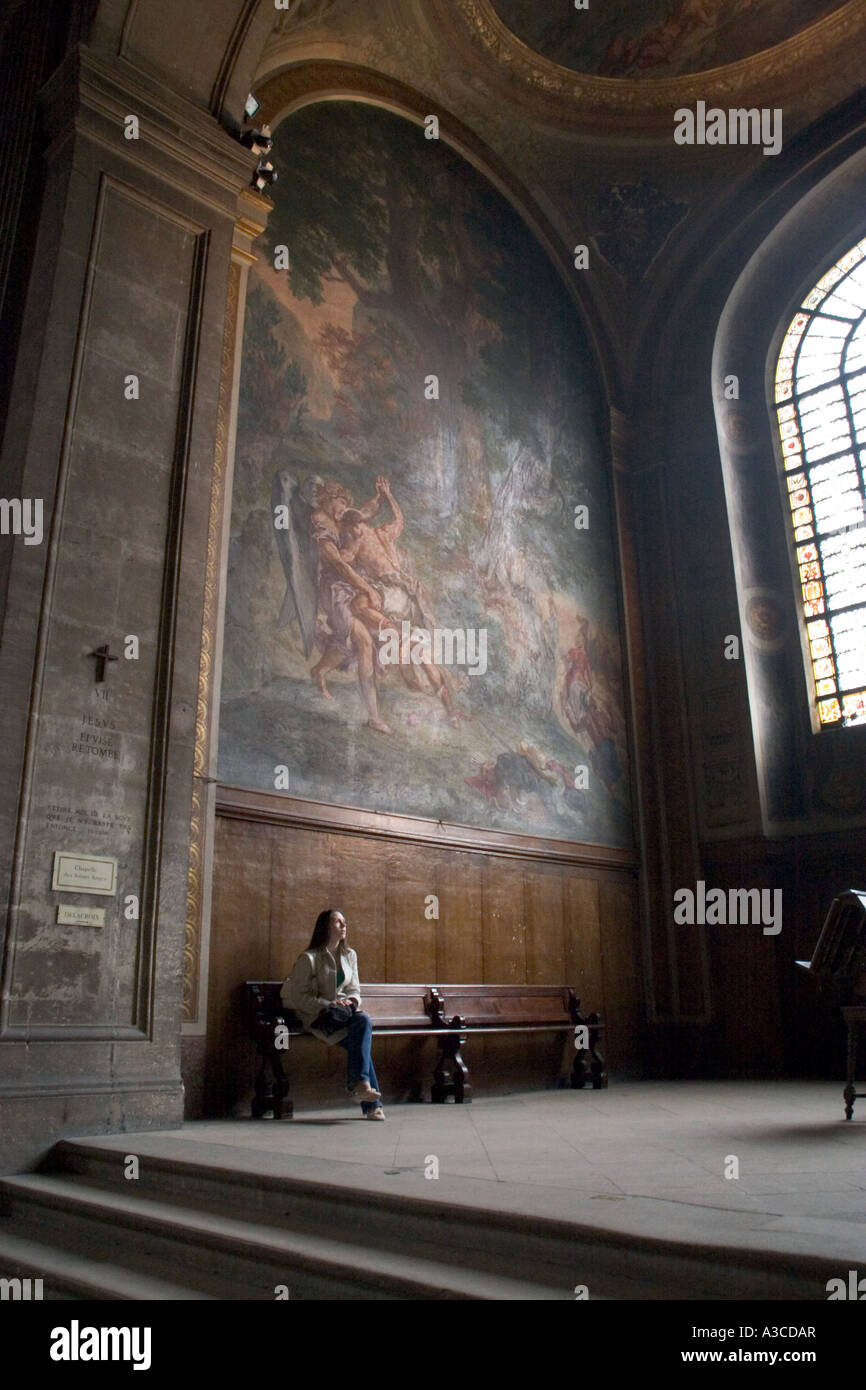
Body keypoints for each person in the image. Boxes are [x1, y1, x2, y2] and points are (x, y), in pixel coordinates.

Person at [283, 908, 385, 1120]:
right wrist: (327, 1005)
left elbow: (355, 989)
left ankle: (363, 1087)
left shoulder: (350, 955)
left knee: (362, 1025)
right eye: (338, 922)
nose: (344, 925)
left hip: (343, 1015)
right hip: (320, 1018)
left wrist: (351, 1002)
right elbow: (300, 996)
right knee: (361, 1041)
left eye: (344, 922)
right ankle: (370, 1102)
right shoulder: (308, 958)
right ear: (325, 927)